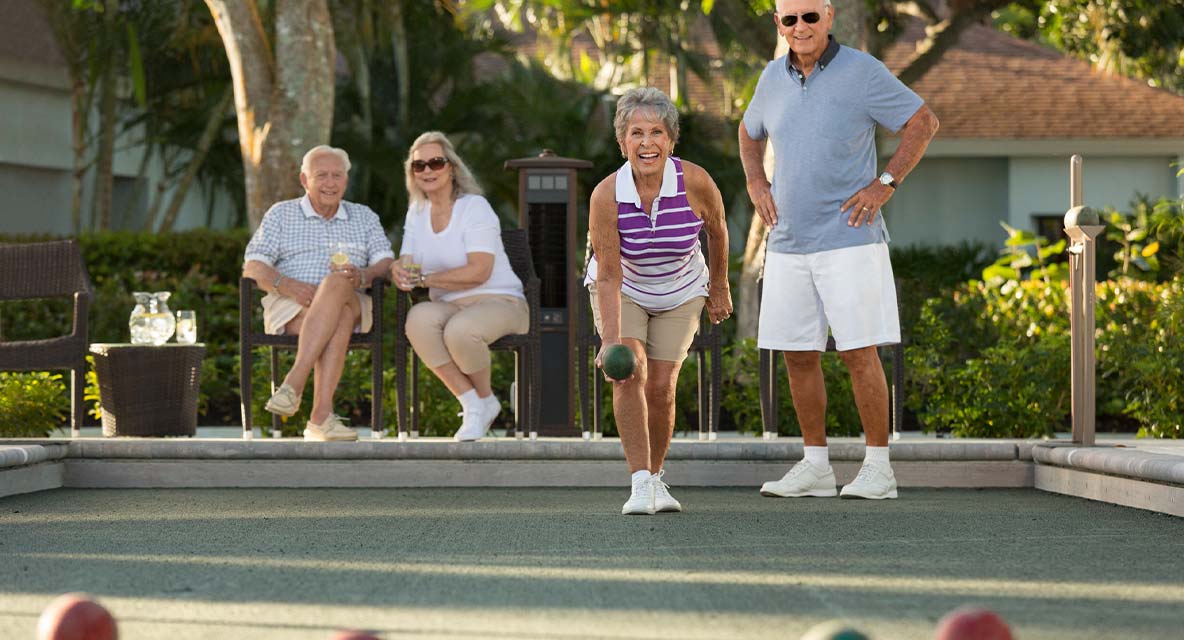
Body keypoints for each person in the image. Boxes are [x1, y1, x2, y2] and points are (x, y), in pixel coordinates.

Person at [739, 0, 939, 499]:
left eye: (810, 16)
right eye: (790, 19)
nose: (800, 27)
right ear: (778, 25)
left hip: (849, 239)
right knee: (798, 355)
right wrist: (756, 183)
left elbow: (923, 122)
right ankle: (816, 466)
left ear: (828, 17)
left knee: (857, 351)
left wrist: (885, 184)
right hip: (785, 243)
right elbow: (747, 132)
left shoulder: (862, 71)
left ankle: (878, 468)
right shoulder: (770, 77)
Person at [587, 87, 732, 515]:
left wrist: (719, 287)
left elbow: (719, 231)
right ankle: (638, 484)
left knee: (662, 387)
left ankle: (655, 477)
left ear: (671, 140)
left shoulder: (696, 182)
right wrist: (610, 341)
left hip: (680, 287)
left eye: (656, 132)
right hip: (626, 285)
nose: (647, 142)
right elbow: (610, 273)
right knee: (628, 370)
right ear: (622, 142)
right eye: (636, 133)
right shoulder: (605, 195)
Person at [243, 145, 395, 441]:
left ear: (346, 181)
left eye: (337, 175)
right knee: (337, 317)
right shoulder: (282, 214)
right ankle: (320, 418)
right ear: (304, 180)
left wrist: (364, 275)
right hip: (292, 306)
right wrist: (287, 286)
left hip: (354, 299)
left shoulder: (363, 217)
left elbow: (385, 261)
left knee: (338, 283)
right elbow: (253, 265)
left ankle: (294, 382)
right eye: (321, 175)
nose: (330, 182)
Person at [391, 131, 529, 442]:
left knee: (459, 330)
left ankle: (480, 403)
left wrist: (425, 280)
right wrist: (397, 271)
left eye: (435, 162)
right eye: (419, 166)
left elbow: (480, 271)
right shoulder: (417, 212)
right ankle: (475, 402)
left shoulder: (474, 207)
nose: (427, 170)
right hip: (450, 303)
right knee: (417, 321)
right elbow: (407, 262)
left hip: (500, 301)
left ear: (451, 167)